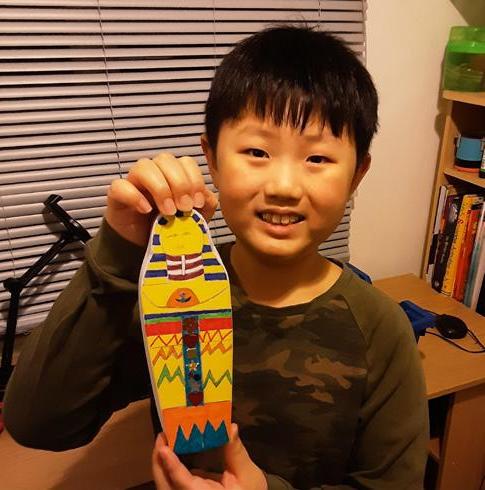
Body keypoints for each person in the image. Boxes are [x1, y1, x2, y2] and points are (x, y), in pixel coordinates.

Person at [3, 26, 429, 489]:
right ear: (212, 158)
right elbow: (38, 423)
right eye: (257, 151)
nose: (284, 187)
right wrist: (118, 251)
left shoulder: (380, 330)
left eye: (318, 159)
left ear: (357, 174)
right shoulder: (173, 289)